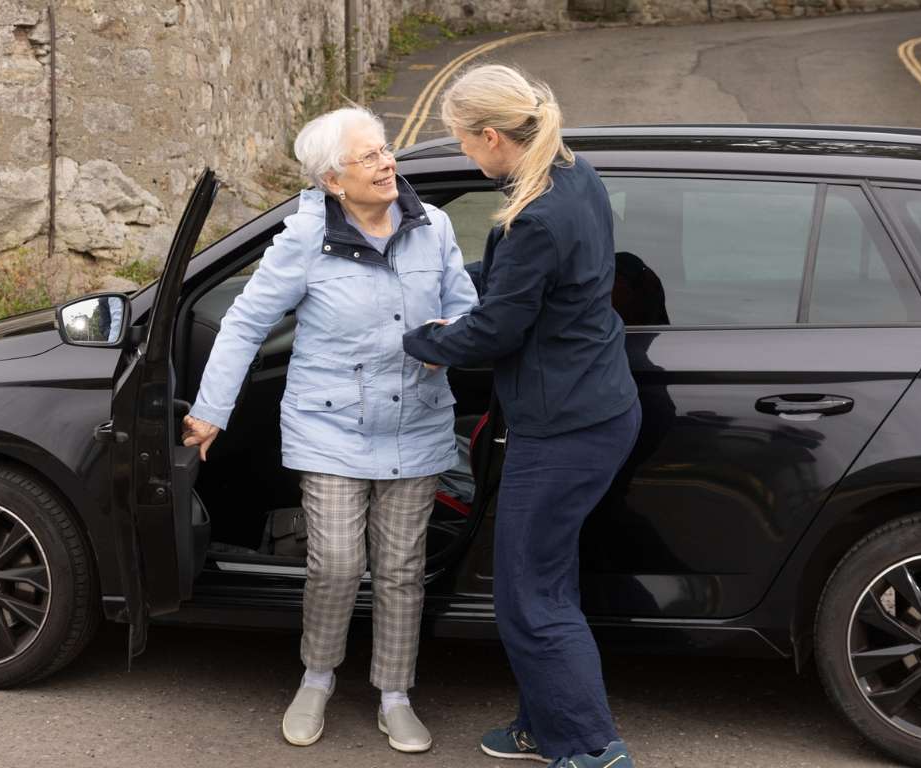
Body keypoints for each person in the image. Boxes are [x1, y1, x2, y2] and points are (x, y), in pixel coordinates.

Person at [181, 105, 477, 753]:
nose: (388, 162)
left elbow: (465, 308)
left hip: (417, 426)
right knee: (337, 565)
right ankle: (316, 677)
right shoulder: (302, 239)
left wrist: (450, 336)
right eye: (368, 156)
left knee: (401, 568)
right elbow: (245, 323)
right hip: (329, 428)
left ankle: (394, 694)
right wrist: (210, 410)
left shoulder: (436, 227)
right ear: (332, 182)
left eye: (386, 149)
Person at [402, 64, 641, 768]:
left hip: (564, 427)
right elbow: (522, 287)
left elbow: (498, 331)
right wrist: (454, 286)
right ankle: (546, 725)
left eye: (462, 143)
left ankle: (593, 751)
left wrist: (419, 339)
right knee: (549, 580)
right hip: (596, 405)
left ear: (489, 136)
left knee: (529, 598)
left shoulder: (537, 213)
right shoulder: (573, 173)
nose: (464, 156)